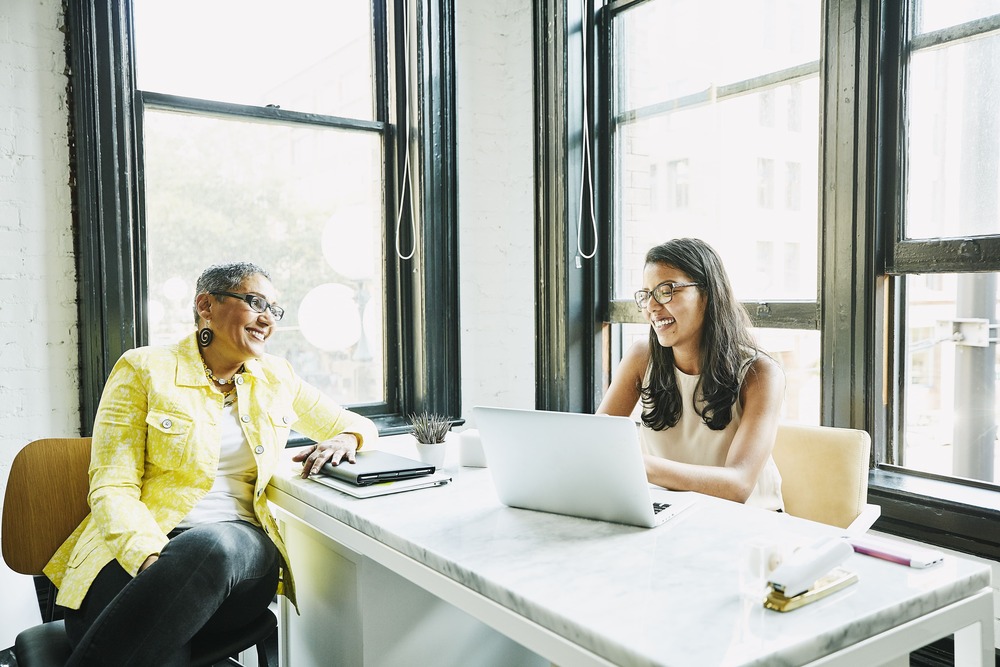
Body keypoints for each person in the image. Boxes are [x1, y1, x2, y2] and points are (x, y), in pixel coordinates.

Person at [44, 262, 378, 666]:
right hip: (136, 549)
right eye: (255, 302)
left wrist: (346, 438)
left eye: (275, 309)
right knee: (161, 645)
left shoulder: (278, 378)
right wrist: (155, 561)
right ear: (206, 305)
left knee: (210, 546)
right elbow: (112, 486)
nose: (267, 318)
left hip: (238, 554)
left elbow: (357, 425)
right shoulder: (144, 369)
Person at [597, 238, 785, 510]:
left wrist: (635, 463)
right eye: (646, 294)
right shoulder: (641, 358)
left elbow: (738, 485)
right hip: (669, 513)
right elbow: (597, 441)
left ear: (708, 294)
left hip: (748, 523)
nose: (651, 306)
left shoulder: (761, 373)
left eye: (666, 290)